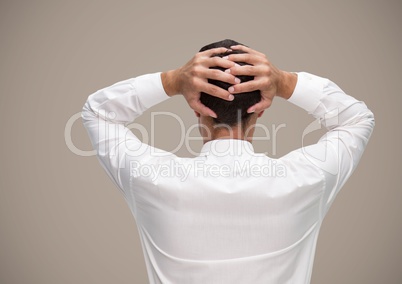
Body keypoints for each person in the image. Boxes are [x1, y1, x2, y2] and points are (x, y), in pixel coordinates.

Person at [81, 39, 375, 284]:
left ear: (197, 109)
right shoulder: (305, 178)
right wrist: (284, 82)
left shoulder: (151, 178)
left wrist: (172, 81)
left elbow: (97, 112)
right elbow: (358, 119)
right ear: (260, 110)